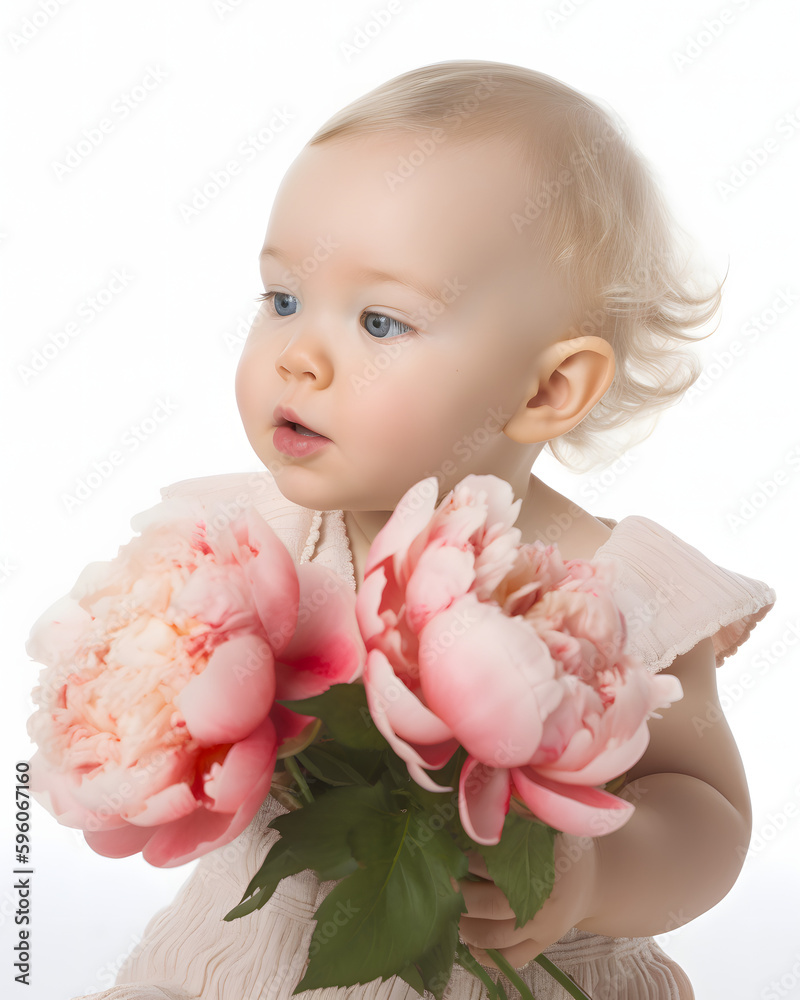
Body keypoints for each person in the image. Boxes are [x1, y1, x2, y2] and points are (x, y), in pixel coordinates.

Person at [70, 60, 776, 1000]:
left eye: (379, 321)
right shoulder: (243, 547)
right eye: (282, 299)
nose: (299, 356)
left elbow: (705, 813)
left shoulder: (615, 591)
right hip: (250, 972)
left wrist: (594, 876)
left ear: (547, 388)